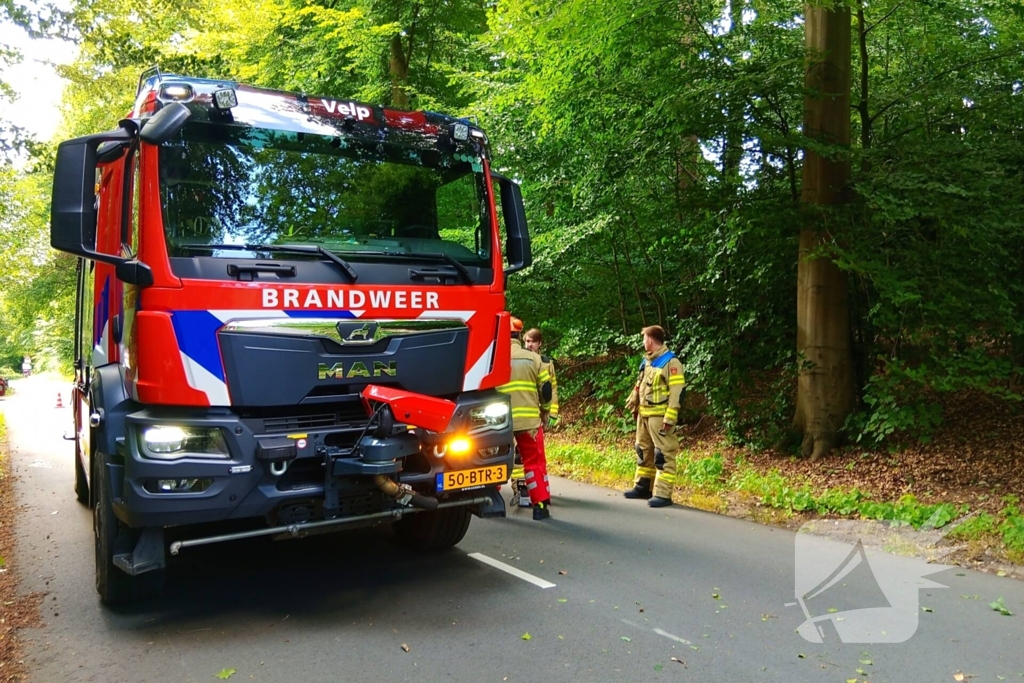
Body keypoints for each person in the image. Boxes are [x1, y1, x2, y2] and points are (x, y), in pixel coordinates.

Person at [623, 325, 686, 507]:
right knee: (643, 450)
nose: (643, 342)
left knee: (663, 454)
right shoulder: (648, 361)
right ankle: (643, 486)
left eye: (644, 339)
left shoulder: (671, 363)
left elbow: (677, 392)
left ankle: (663, 494)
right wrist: (634, 396)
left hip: (660, 416)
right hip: (644, 414)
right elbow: (640, 383)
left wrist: (670, 418)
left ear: (650, 340)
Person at [499, 317, 553, 520]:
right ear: (520, 336)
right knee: (534, 463)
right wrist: (546, 410)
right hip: (529, 422)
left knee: (492, 461)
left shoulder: (492, 357)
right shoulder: (534, 359)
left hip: (499, 422)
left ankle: (491, 501)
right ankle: (539, 506)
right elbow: (546, 390)